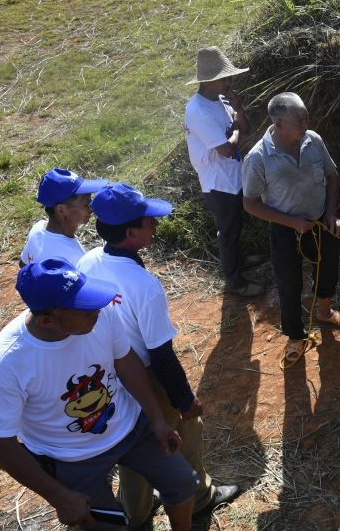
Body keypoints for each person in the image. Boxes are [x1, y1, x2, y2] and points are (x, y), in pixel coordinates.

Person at [77, 183, 241, 527]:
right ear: (129, 231)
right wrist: (183, 401)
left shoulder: (88, 260)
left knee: (132, 444)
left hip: (108, 374)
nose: (155, 224)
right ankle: (197, 499)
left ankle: (135, 512)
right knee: (185, 437)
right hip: (147, 375)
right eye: (147, 220)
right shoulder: (144, 286)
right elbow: (161, 355)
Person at [0, 258, 197, 531]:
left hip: (131, 429)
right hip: (70, 458)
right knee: (107, 526)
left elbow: (125, 361)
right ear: (47, 320)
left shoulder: (99, 312)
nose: (96, 310)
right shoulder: (6, 363)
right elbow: (1, 443)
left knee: (183, 482)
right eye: (83, 309)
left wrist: (157, 419)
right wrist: (59, 496)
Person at [241, 92, 340, 369]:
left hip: (320, 223)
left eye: (306, 117)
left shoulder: (313, 140)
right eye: (299, 119)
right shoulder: (258, 158)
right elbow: (250, 204)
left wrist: (331, 213)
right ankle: (295, 337)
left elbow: (332, 175)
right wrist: (292, 223)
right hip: (285, 231)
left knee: (328, 270)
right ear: (278, 124)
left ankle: (325, 313)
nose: (306, 123)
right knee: (289, 284)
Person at [184, 46, 265, 298]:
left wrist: (239, 109)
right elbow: (226, 150)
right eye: (225, 77)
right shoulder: (197, 110)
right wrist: (236, 133)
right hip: (217, 181)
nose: (229, 81)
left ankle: (239, 260)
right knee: (228, 231)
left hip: (232, 176)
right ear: (210, 80)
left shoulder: (221, 100)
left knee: (235, 225)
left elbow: (245, 128)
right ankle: (235, 282)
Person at [20, 168, 107, 266]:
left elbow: (23, 264)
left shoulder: (38, 228)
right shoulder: (74, 257)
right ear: (61, 209)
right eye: (86, 202)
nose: (91, 207)